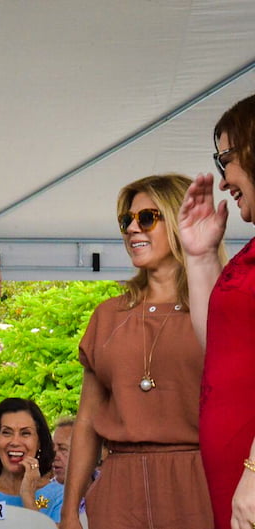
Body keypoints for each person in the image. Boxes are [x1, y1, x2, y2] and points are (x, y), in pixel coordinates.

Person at [60, 174, 216, 529]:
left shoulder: (217, 306)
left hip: (198, 480)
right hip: (120, 484)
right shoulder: (108, 315)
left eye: (147, 218)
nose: (132, 228)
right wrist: (69, 512)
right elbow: (85, 423)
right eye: (126, 220)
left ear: (180, 221)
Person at [179, 93, 255, 529]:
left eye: (227, 158)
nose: (224, 181)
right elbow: (220, 349)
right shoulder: (248, 253)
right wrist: (201, 255)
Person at [0, 398, 63, 523]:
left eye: (25, 433)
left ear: (39, 442)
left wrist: (29, 498)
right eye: (7, 432)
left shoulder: (59, 496)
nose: (15, 442)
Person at [51, 416, 74, 485]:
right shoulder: (45, 492)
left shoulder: (105, 482)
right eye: (52, 449)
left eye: (62, 449)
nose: (54, 456)